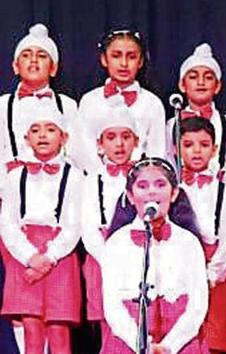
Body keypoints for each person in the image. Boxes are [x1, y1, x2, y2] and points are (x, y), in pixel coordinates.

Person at [101, 157, 208, 353]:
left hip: (179, 338)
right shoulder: (117, 243)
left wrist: (169, 346)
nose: (151, 191)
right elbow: (112, 305)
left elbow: (198, 304)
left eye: (160, 185)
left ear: (174, 193)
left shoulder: (188, 242)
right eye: (142, 186)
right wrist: (142, 345)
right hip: (129, 339)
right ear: (130, 196)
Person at [0, 102, 83, 354]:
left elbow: (74, 224)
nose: (43, 135)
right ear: (26, 138)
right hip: (24, 255)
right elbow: (8, 223)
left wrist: (49, 257)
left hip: (60, 256)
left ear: (64, 136)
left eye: (50, 129)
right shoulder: (15, 176)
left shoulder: (75, 176)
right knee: (31, 329)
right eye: (35, 130)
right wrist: (29, 257)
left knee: (59, 331)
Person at [176, 117, 226, 353]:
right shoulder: (172, 188)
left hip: (215, 266)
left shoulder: (225, 188)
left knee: (217, 335)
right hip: (182, 264)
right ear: (177, 148)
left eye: (203, 145)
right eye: (189, 144)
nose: (196, 151)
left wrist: (214, 271)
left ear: (214, 149)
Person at [81, 99, 139, 341]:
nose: (119, 143)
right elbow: (88, 226)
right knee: (109, 325)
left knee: (139, 320)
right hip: (102, 258)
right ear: (100, 145)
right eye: (111, 137)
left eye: (126, 136)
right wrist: (111, 259)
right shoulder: (92, 180)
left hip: (137, 254)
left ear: (136, 141)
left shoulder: (145, 175)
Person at [74, 28, 165, 173]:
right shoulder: (90, 101)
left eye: (131, 57)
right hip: (97, 181)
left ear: (141, 61)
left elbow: (157, 150)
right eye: (116, 56)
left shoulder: (152, 103)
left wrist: (141, 178)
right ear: (104, 59)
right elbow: (82, 147)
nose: (124, 63)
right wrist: (101, 177)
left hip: (141, 183)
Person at [0, 23, 77, 172]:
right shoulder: (2, 105)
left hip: (56, 184)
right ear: (15, 66)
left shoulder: (67, 105)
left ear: (53, 68)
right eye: (26, 55)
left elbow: (75, 153)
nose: (34, 60)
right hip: (11, 184)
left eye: (42, 55)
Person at [166, 43, 226, 183]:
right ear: (182, 85)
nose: (201, 82)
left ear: (217, 86)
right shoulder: (171, 125)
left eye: (208, 77)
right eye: (193, 77)